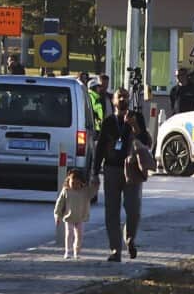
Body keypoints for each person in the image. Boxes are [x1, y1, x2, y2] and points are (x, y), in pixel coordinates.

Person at [92, 89, 150, 262]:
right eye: (119, 96)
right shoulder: (109, 121)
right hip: (111, 169)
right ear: (114, 101)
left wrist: (135, 126)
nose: (123, 99)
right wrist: (94, 172)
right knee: (111, 211)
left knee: (133, 210)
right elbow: (101, 146)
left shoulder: (136, 117)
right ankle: (115, 250)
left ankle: (130, 239)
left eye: (125, 96)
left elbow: (145, 142)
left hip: (131, 169)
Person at [53, 169, 92, 260]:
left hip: (80, 217)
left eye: (77, 184)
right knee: (69, 234)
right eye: (73, 183)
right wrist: (57, 215)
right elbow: (59, 203)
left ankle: (76, 251)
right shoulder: (66, 191)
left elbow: (92, 192)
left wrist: (95, 184)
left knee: (80, 235)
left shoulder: (84, 191)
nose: (75, 185)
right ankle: (68, 251)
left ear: (81, 183)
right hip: (69, 217)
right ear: (68, 181)